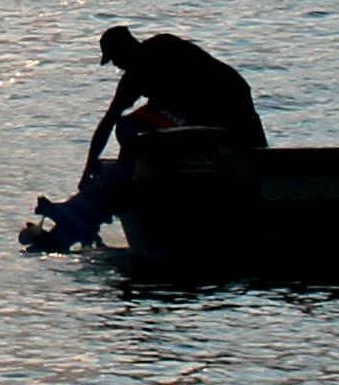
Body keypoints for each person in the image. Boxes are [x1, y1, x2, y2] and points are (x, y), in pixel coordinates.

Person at [24, 25, 264, 250]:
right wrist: (88, 168)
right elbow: (107, 122)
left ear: (128, 48)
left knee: (132, 128)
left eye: (116, 58)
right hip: (209, 112)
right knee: (128, 128)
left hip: (225, 104)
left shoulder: (163, 47)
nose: (117, 65)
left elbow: (197, 84)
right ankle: (123, 183)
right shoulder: (132, 79)